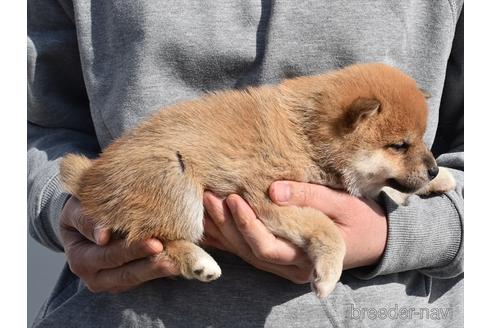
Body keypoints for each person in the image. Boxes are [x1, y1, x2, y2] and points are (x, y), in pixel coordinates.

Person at [28, 1, 463, 327]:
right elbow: (32, 124)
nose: (421, 159)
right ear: (354, 120)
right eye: (402, 146)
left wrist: (405, 232)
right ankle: (177, 247)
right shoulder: (299, 138)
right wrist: (60, 203)